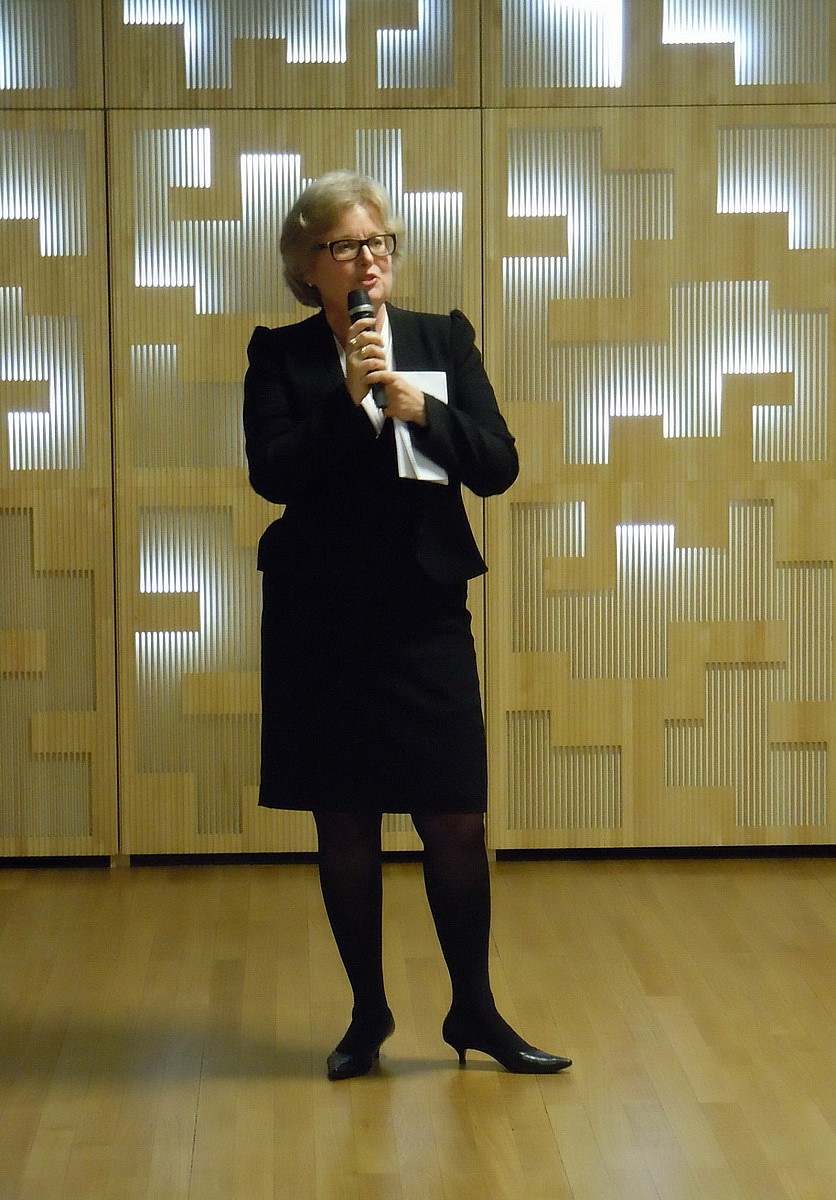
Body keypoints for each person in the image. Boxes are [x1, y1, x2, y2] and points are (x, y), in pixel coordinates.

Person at [243, 169, 571, 1080]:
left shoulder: (440, 339)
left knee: (456, 817)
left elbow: (497, 464)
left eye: (377, 242)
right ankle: (367, 1014)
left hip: (424, 611)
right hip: (321, 618)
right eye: (344, 246)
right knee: (345, 820)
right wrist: (349, 400)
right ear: (307, 266)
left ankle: (475, 1010)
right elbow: (273, 474)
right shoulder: (281, 356)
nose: (367, 260)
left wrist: (424, 411)